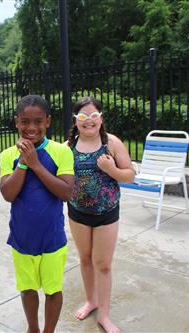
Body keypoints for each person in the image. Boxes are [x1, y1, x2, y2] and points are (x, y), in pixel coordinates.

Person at [0, 95, 74, 333]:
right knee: (28, 288)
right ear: (16, 122)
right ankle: (32, 328)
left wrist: (36, 164)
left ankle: (48, 331)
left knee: (53, 290)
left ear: (48, 122)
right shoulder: (8, 154)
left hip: (51, 239)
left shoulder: (61, 152)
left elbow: (66, 192)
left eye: (38, 121)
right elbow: (8, 194)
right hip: (22, 238)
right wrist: (23, 162)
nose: (31, 128)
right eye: (25, 121)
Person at [66, 97, 134, 333]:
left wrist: (111, 169)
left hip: (107, 212)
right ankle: (91, 301)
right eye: (83, 117)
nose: (89, 121)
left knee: (102, 264)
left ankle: (104, 315)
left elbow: (130, 175)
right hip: (77, 212)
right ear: (75, 121)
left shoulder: (111, 143)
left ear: (101, 118)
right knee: (85, 259)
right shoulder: (68, 147)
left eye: (94, 116)